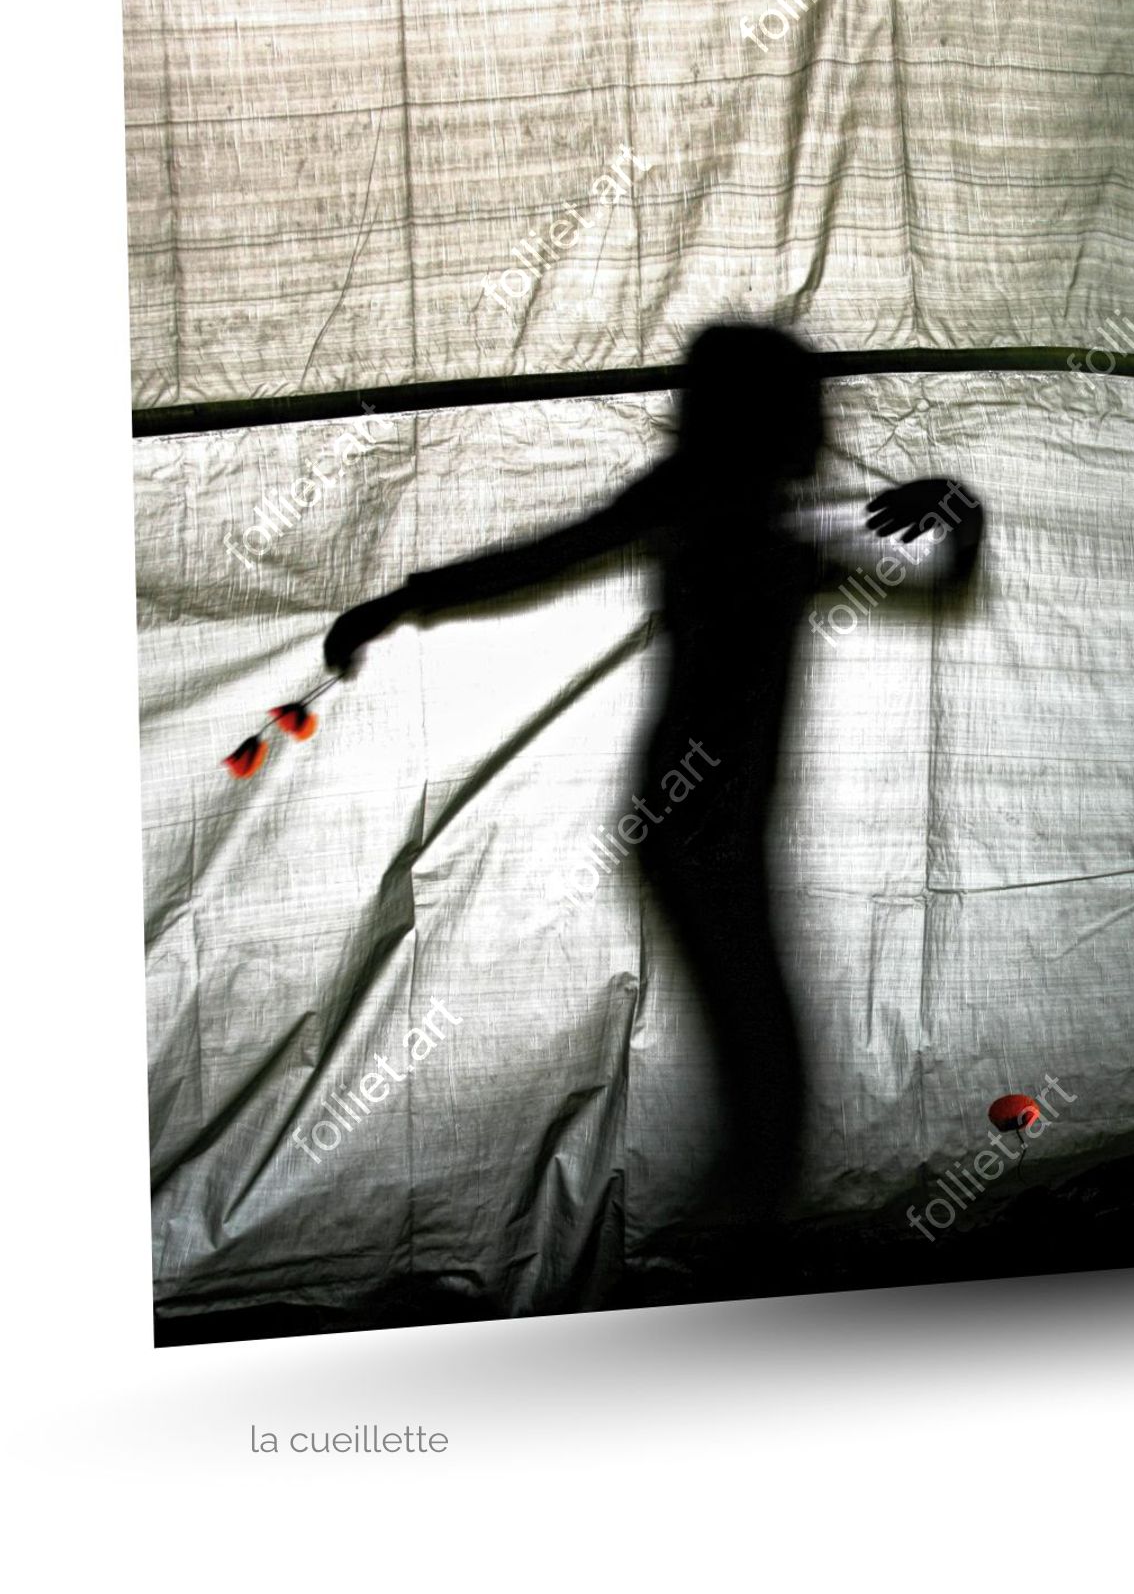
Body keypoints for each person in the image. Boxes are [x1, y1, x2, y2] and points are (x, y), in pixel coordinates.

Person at [323, 325, 984, 1227]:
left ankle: (738, 1251)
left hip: (710, 828)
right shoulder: (708, 505)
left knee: (764, 1067)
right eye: (805, 408)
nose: (822, 429)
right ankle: (738, 1259)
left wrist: (956, 506)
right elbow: (548, 556)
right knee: (766, 1067)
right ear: (757, 417)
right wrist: (402, 601)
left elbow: (933, 579)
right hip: (693, 827)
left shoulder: (762, 519)